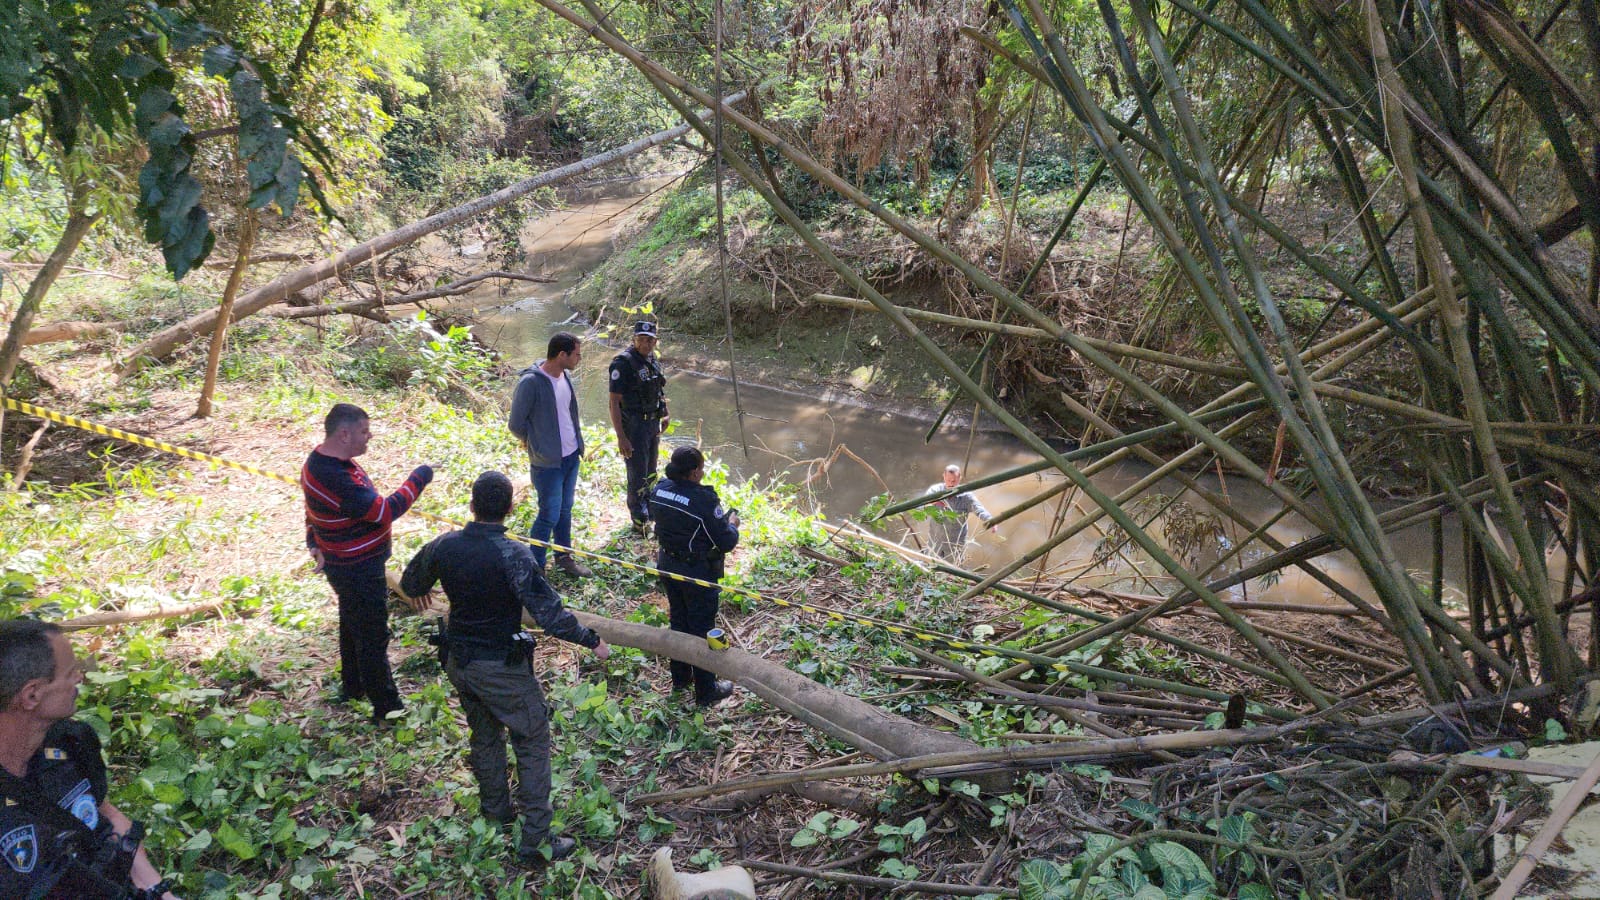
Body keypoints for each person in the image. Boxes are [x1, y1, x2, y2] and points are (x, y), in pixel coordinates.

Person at [400, 472, 612, 865]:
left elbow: (412, 584)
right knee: (531, 738)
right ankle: (536, 841)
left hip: (458, 661)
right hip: (498, 664)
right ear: (511, 507)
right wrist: (593, 640)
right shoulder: (513, 554)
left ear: (472, 505)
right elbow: (551, 615)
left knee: (484, 734)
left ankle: (495, 810)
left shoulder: (445, 544)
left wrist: (428, 589)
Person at [0, 619, 179, 899]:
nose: (80, 678)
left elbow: (106, 816)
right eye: (70, 673)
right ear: (32, 694)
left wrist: (159, 892)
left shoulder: (69, 745)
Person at [302, 403, 433, 724]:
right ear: (344, 434)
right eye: (364, 431)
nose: (369, 436)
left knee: (352, 623)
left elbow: (311, 508)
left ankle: (353, 686)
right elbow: (382, 511)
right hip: (356, 568)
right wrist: (419, 478)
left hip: (347, 562)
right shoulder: (333, 475)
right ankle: (387, 708)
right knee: (373, 636)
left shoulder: (328, 463)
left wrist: (313, 542)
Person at [648, 447, 738, 708]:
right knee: (703, 627)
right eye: (701, 467)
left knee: (679, 619)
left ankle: (680, 678)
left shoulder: (660, 489)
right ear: (695, 471)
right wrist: (732, 524)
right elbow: (724, 541)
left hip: (667, 564)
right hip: (696, 573)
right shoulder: (703, 501)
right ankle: (706, 690)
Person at [509, 332, 593, 578]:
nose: (579, 359)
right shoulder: (531, 383)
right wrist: (536, 443)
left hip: (570, 457)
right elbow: (515, 424)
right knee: (549, 514)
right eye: (576, 354)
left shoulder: (564, 377)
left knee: (565, 510)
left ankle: (564, 559)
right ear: (561, 354)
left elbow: (568, 413)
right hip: (547, 463)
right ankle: (535, 567)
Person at [608, 321, 670, 531]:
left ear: (655, 341)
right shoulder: (623, 364)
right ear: (633, 339)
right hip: (634, 426)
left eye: (650, 340)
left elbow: (658, 389)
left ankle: (650, 511)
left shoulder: (652, 359)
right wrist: (621, 436)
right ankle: (638, 518)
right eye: (641, 339)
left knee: (651, 469)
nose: (645, 344)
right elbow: (614, 401)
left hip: (652, 423)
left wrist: (665, 413)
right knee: (637, 473)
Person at [925, 464, 993, 562]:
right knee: (932, 568)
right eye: (948, 480)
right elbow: (922, 506)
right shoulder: (935, 490)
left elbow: (979, 509)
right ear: (943, 476)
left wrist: (990, 520)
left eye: (954, 481)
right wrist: (934, 501)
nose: (951, 483)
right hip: (935, 542)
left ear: (959, 478)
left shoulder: (966, 496)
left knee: (952, 573)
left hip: (955, 546)